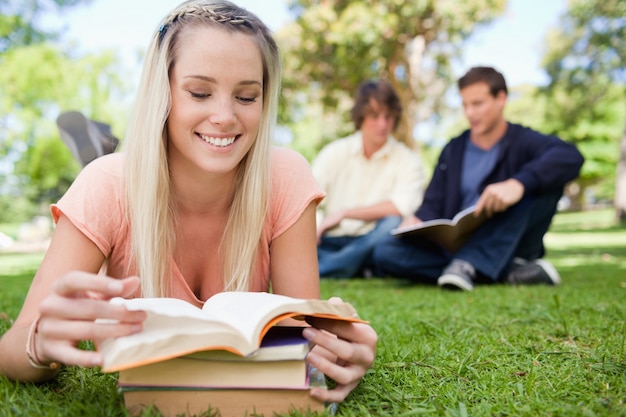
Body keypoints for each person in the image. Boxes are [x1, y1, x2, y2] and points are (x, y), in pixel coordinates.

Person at [0, 0, 377, 405]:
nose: (225, 116)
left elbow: (304, 342)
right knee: (111, 170)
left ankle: (107, 142)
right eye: (200, 92)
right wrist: (38, 343)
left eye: (247, 97)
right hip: (121, 180)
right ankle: (105, 148)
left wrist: (338, 353)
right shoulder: (105, 186)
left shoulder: (285, 178)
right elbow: (12, 349)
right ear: (162, 92)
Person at [373, 66, 584, 291]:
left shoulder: (523, 140)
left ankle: (470, 265)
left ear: (501, 99)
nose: (470, 113)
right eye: (465, 105)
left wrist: (518, 184)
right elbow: (433, 204)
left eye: (477, 104)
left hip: (508, 238)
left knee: (542, 184)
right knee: (386, 250)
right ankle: (501, 271)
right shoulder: (453, 150)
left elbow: (570, 156)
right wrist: (418, 219)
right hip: (457, 243)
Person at [313, 79, 425, 278]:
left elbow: (400, 208)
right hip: (334, 240)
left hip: (377, 240)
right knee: (305, 239)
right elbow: (306, 199)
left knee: (391, 224)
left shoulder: (408, 160)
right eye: (374, 116)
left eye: (388, 117)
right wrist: (315, 226)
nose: (382, 124)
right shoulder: (334, 153)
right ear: (361, 116)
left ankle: (325, 269)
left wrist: (345, 213)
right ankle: (356, 266)